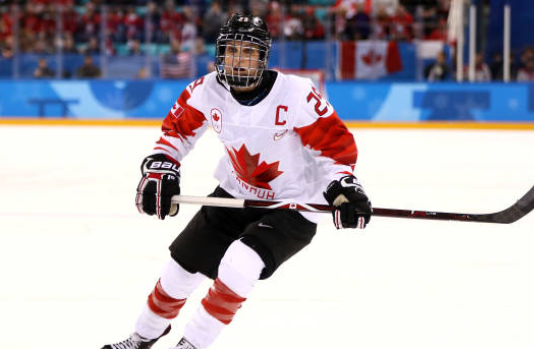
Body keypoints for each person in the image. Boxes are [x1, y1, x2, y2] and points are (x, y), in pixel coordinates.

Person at [101, 13, 372, 349]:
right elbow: (176, 133)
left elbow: (334, 146)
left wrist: (343, 185)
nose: (239, 60)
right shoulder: (206, 90)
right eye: (232, 51)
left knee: (239, 264)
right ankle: (143, 337)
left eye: (249, 52)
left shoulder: (296, 94)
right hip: (235, 193)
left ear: (263, 57)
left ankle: (193, 344)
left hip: (293, 204)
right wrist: (161, 169)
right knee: (179, 271)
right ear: (220, 54)